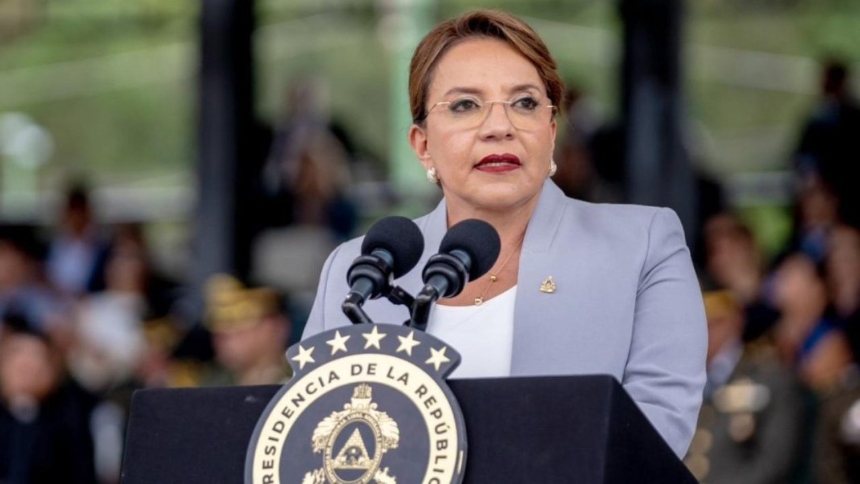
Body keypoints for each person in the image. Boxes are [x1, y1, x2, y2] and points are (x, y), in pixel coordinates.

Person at [301, 9, 706, 458]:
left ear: (551, 132)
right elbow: (311, 438)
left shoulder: (642, 244)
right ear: (423, 144)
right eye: (465, 105)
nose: (499, 127)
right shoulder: (357, 269)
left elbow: (656, 433)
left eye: (525, 103)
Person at [684, 290, 808, 483]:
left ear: (735, 321)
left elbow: (774, 462)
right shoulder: (685, 379)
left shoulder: (769, 378)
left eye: (714, 323)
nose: (705, 332)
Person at [199, 274, 292, 386]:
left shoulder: (302, 381)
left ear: (276, 327)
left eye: (242, 319)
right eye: (217, 324)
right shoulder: (209, 383)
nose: (224, 333)